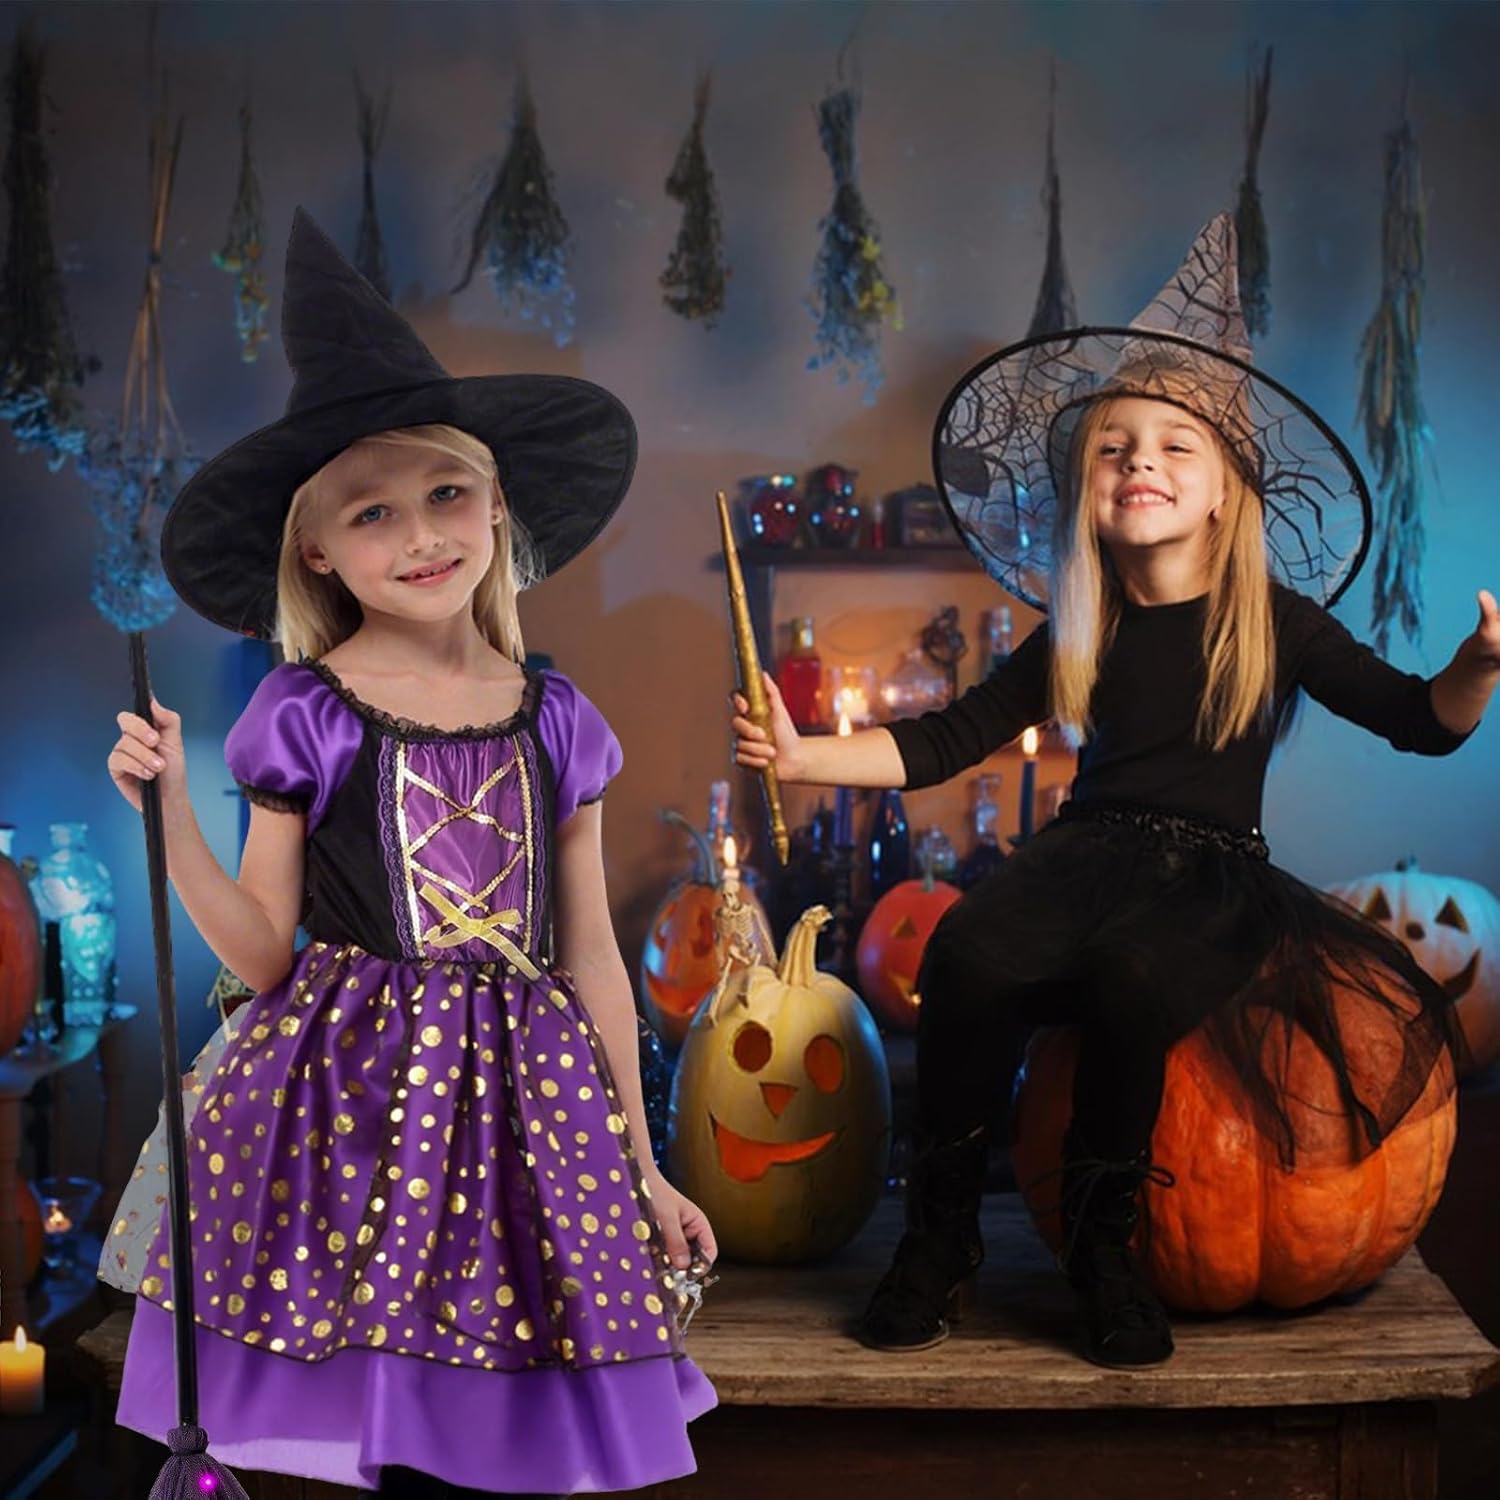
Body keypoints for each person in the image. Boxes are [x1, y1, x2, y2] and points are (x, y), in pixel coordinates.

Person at [731, 216, 1497, 1369]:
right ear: (1089, 490)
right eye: (1115, 448)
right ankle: (939, 1240)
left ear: (1226, 492)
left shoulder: (1276, 625)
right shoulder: (1079, 628)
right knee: (968, 952)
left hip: (1213, 875)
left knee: (1133, 976)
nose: (1141, 462)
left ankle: (1106, 1252)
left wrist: (1475, 669)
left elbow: (1419, 722)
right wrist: (802, 758)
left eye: (1176, 446)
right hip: (1083, 854)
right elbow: (949, 738)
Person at [103, 209, 717, 1495]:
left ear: (497, 503)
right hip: (353, 1106)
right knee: (383, 1416)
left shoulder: (559, 719)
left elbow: (595, 958)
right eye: (373, 513)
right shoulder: (305, 712)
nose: (423, 534)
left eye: (446, 493)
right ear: (317, 549)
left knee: (515, 1422)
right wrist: (170, 819)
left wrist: (644, 1166)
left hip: (533, 1109)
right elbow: (263, 957)